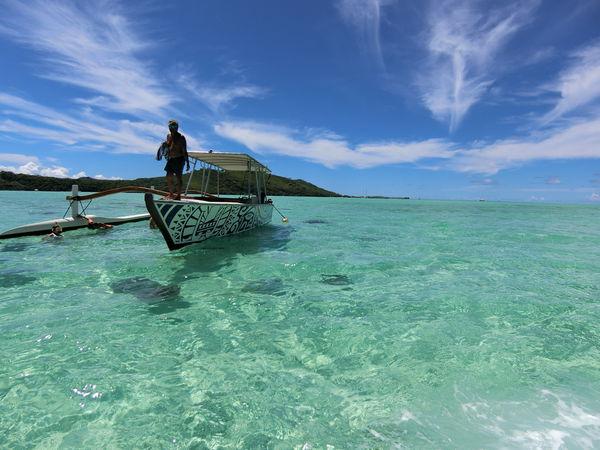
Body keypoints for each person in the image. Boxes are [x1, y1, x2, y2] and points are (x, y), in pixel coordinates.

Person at [161, 119, 190, 200]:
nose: (172, 128)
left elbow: (185, 151)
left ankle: (178, 195)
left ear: (177, 127)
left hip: (179, 159)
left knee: (178, 177)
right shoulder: (169, 136)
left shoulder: (181, 137)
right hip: (171, 159)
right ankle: (171, 194)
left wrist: (187, 162)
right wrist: (164, 144)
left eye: (174, 126)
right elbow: (168, 146)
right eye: (170, 126)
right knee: (168, 176)